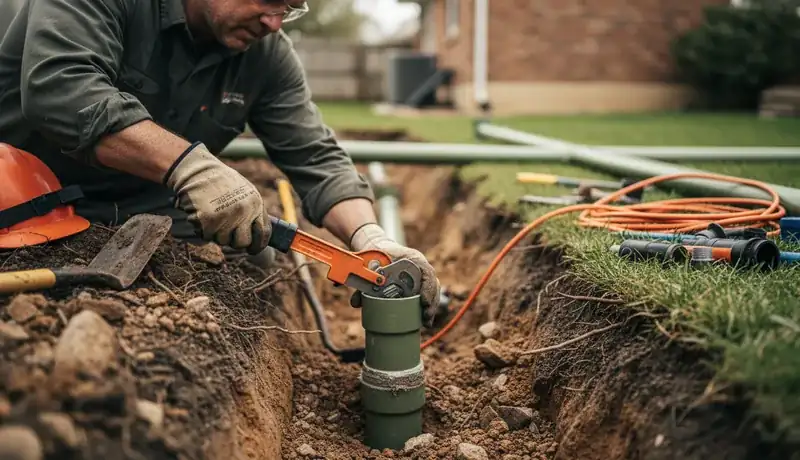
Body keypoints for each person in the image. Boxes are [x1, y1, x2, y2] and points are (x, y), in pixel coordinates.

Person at [0, 0, 440, 312]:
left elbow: (316, 156)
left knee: (255, 264)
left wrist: (369, 237)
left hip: (143, 211)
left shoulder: (267, 57)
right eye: (270, 2)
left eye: (289, 9)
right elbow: (61, 87)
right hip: (25, 203)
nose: (275, 22)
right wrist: (188, 165)